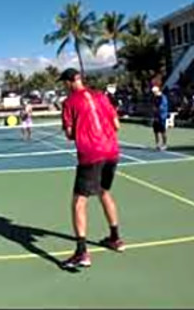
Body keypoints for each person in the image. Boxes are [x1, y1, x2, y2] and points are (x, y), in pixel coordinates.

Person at [59, 68, 123, 270]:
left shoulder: (68, 103)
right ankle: (115, 238)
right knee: (104, 192)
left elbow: (69, 134)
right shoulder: (101, 96)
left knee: (79, 201)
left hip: (91, 154)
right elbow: (117, 125)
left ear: (69, 82)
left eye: (64, 83)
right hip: (111, 151)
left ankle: (82, 252)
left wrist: (77, 128)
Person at [151, 86, 169, 151]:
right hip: (156, 117)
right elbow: (153, 107)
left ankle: (164, 144)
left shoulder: (163, 97)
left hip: (162, 117)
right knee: (156, 131)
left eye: (154, 92)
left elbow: (162, 107)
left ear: (157, 91)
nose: (154, 93)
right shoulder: (154, 98)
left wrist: (157, 109)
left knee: (163, 131)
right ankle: (158, 144)